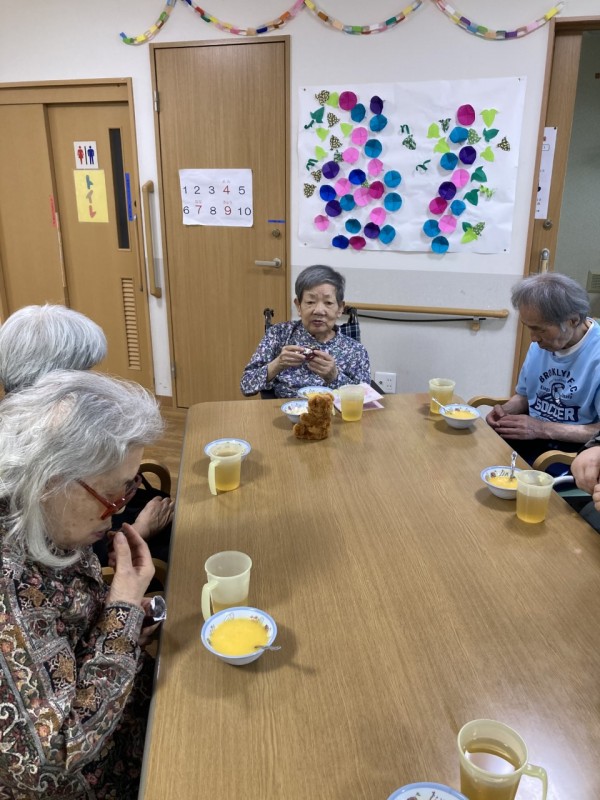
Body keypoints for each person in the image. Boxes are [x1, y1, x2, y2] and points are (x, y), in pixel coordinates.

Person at [0, 370, 164, 798]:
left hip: (133, 708)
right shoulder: (8, 587)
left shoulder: (47, 521)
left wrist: (121, 625)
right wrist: (122, 612)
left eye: (128, 491)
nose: (118, 512)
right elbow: (51, 759)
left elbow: (66, 636)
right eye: (114, 495)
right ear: (49, 481)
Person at [0, 304, 173, 561]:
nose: (92, 382)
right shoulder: (36, 453)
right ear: (53, 382)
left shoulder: (24, 419)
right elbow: (72, 549)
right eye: (83, 373)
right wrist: (141, 530)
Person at [485, 273, 600, 465]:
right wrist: (506, 411)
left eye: (541, 329)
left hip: (575, 454)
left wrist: (542, 428)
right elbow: (524, 396)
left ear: (573, 320)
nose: (533, 338)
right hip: (532, 440)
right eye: (529, 328)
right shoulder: (542, 345)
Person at [240, 264, 371, 398]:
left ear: (340, 309)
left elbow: (366, 399)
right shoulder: (278, 334)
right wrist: (277, 364)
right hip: (286, 408)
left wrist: (334, 377)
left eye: (328, 303)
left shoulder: (355, 350)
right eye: (310, 302)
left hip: (333, 410)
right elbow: (246, 386)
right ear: (298, 306)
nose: (319, 310)